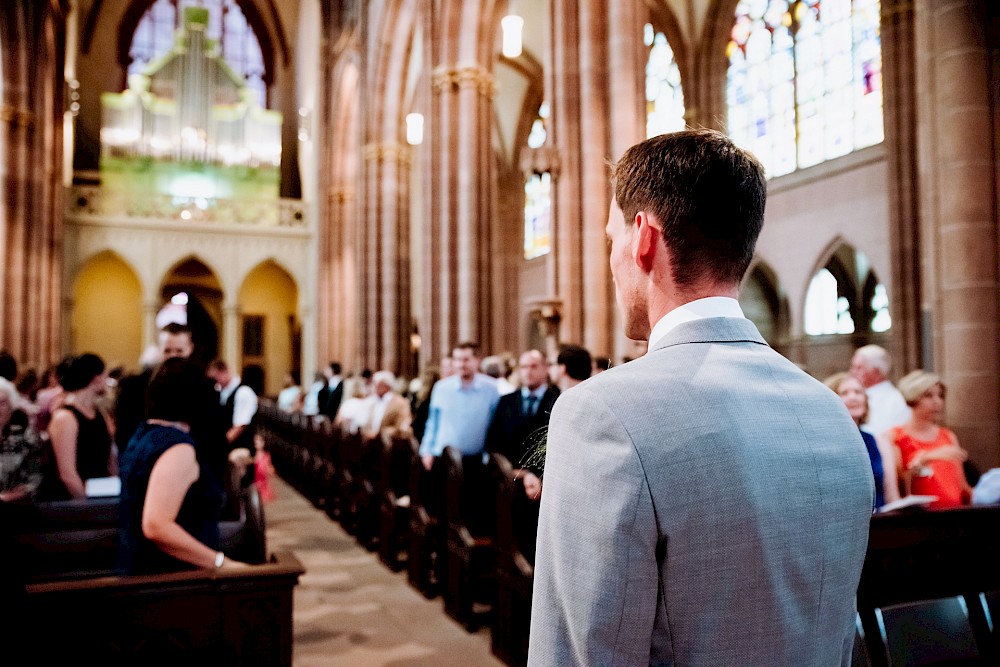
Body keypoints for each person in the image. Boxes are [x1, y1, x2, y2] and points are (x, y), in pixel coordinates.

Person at [528, 130, 874, 666]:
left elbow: (579, 654)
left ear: (642, 237)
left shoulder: (599, 416)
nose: (612, 261)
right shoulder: (830, 412)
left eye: (610, 240)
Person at [118, 358, 249, 574]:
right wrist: (221, 563)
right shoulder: (177, 448)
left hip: (146, 570)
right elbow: (157, 526)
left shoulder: (143, 435)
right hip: (172, 578)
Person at [889, 370, 972, 509]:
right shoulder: (896, 436)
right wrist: (925, 459)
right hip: (921, 519)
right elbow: (898, 483)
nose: (937, 401)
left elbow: (963, 486)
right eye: (928, 396)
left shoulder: (947, 435)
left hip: (956, 515)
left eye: (940, 395)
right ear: (913, 398)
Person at [41, 354, 116, 500]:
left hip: (99, 494)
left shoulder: (99, 414)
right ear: (96, 378)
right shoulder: (65, 417)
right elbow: (67, 474)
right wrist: (87, 505)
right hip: (70, 503)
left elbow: (109, 460)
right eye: (104, 375)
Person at [485, 349, 559, 498]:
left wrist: (534, 474)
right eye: (524, 367)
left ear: (545, 369)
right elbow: (493, 440)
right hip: (508, 481)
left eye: (533, 366)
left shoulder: (556, 401)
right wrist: (511, 471)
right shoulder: (507, 401)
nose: (528, 372)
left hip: (543, 485)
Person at [825, 372, 901, 509]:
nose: (853, 397)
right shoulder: (825, 443)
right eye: (844, 393)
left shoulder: (879, 442)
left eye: (858, 392)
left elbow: (892, 496)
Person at [418, 341, 499, 470]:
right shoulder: (441, 388)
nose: (460, 364)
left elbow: (495, 424)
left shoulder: (491, 388)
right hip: (443, 458)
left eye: (466, 359)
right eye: (456, 359)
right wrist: (426, 450)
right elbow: (433, 422)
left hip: (476, 461)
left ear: (477, 361)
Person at [851, 344, 911, 437]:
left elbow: (879, 434)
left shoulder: (894, 400)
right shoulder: (859, 395)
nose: (853, 372)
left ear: (876, 372)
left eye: (859, 368)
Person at [0, 378, 44, 502]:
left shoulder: (26, 436)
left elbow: (36, 479)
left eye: (2, 403)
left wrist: (9, 497)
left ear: (11, 406)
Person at [361, 370, 413, 439]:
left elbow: (403, 426)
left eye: (378, 384)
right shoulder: (373, 402)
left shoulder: (400, 403)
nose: (375, 387)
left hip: (390, 442)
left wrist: (380, 434)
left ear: (387, 386)